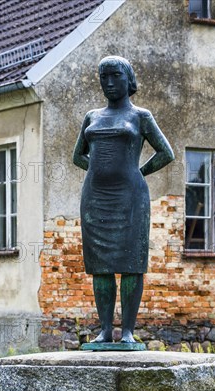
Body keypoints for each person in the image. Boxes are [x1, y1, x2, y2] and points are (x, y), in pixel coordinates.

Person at [72, 56, 174, 343]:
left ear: (128, 80)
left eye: (115, 76)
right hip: (95, 198)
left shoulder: (140, 116)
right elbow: (77, 155)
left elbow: (166, 153)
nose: (109, 83)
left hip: (131, 199)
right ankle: (105, 330)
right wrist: (99, 171)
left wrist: (136, 173)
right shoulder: (92, 117)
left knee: (132, 263)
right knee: (100, 265)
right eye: (103, 77)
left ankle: (127, 331)